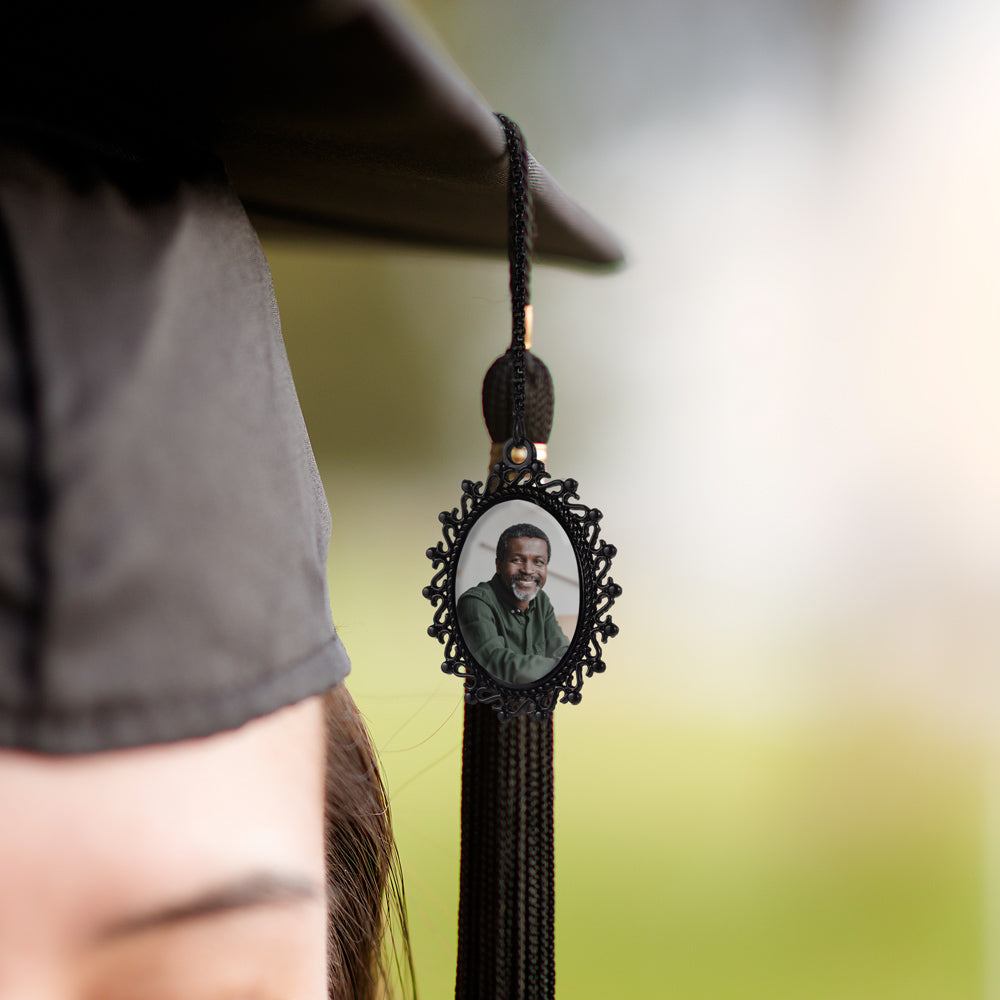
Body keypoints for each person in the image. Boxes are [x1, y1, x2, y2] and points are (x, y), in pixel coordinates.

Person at [456, 523, 571, 685]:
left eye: (538, 562)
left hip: (541, 706)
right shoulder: (475, 603)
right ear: (498, 565)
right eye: (517, 560)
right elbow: (498, 664)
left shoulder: (541, 600)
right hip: (492, 707)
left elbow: (562, 648)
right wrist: (560, 668)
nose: (528, 570)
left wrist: (563, 664)